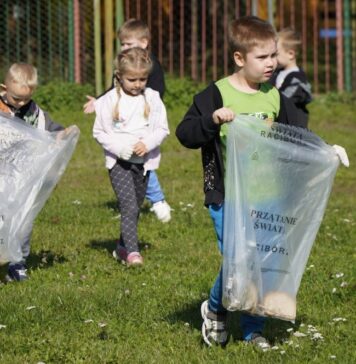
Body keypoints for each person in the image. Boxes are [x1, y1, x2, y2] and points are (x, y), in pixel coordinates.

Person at [176, 16, 302, 349]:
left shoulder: (273, 96)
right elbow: (185, 134)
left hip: (268, 196)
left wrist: (325, 150)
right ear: (239, 58)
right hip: (228, 197)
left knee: (264, 263)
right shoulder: (216, 94)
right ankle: (215, 310)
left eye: (274, 55)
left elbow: (299, 134)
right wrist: (211, 120)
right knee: (239, 262)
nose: (271, 63)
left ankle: (252, 330)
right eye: (262, 57)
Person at [85, 18, 171, 223]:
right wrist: (98, 102)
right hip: (125, 123)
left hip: (143, 123)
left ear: (144, 42)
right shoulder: (126, 65)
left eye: (128, 44)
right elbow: (115, 92)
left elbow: (155, 92)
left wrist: (145, 108)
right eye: (122, 44)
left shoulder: (148, 65)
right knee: (129, 163)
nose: (124, 48)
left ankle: (158, 201)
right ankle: (130, 206)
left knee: (142, 164)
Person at [93, 47, 169, 266]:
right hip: (119, 163)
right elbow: (99, 132)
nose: (137, 84)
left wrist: (147, 143)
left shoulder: (152, 98)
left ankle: (122, 246)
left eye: (142, 79)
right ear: (119, 76)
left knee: (135, 206)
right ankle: (133, 253)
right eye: (132, 79)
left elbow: (162, 129)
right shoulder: (109, 100)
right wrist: (119, 148)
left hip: (143, 164)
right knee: (129, 206)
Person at [0, 63, 66, 282]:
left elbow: (52, 130)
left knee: (23, 222)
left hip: (23, 178)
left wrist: (60, 135)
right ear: (4, 88)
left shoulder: (35, 113)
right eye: (16, 98)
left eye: (25, 99)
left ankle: (18, 263)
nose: (20, 103)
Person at [269, 28, 312, 128]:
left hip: (293, 128)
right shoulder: (276, 73)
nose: (273, 58)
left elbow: (286, 99)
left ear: (290, 54)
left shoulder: (298, 79)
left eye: (276, 54)